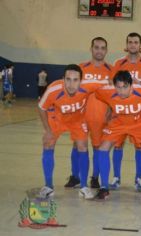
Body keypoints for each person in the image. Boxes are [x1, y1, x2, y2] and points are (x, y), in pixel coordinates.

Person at [38, 64, 107, 199]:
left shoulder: (88, 85)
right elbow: (41, 108)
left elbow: (109, 82)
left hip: (77, 119)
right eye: (68, 79)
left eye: (75, 80)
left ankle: (83, 186)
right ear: (63, 79)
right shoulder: (53, 89)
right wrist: (47, 130)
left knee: (82, 146)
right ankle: (48, 186)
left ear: (81, 80)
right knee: (48, 143)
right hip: (57, 119)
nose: (71, 84)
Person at [94, 70, 141, 201]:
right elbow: (94, 89)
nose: (121, 91)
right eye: (118, 87)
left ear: (131, 85)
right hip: (118, 123)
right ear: (114, 86)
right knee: (102, 149)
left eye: (125, 87)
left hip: (140, 123)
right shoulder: (107, 92)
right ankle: (104, 187)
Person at [64, 37, 113, 189]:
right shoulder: (81, 68)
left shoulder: (112, 70)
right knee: (77, 146)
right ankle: (75, 176)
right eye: (96, 47)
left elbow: (115, 94)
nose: (99, 50)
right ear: (91, 49)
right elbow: (71, 90)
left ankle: (95, 178)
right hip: (81, 116)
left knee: (98, 147)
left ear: (106, 50)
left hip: (101, 116)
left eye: (102, 48)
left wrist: (111, 112)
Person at [110, 32, 141, 191]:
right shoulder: (118, 63)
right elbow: (112, 87)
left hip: (139, 115)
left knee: (140, 147)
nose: (133, 45)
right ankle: (116, 177)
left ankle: (139, 178)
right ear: (126, 45)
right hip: (119, 114)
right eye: (130, 42)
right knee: (117, 146)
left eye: (136, 42)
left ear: (140, 45)